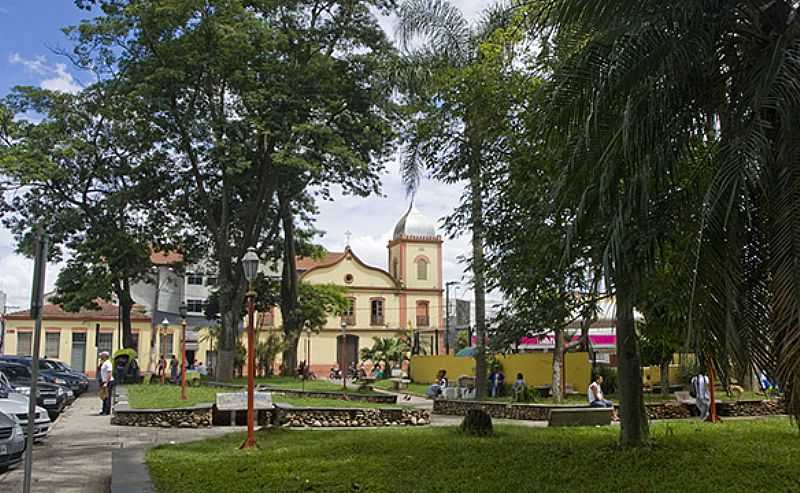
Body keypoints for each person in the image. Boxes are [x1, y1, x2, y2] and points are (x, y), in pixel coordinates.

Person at [99, 351, 114, 416]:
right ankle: (104, 410)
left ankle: (106, 411)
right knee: (104, 396)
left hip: (108, 381)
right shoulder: (104, 363)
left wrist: (106, 382)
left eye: (101, 355)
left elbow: (109, 373)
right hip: (104, 381)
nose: (100, 357)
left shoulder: (108, 363)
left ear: (105, 356)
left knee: (107, 397)